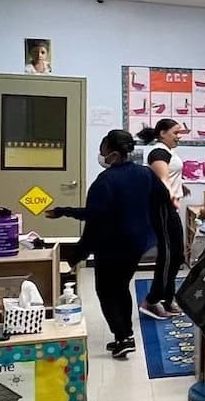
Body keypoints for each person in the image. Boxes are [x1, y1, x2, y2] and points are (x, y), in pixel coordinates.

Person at [46, 129, 170, 357]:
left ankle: (122, 337)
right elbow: (162, 197)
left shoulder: (105, 181)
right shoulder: (144, 173)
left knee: (106, 291)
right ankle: (126, 335)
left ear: (113, 154)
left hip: (112, 246)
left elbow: (94, 217)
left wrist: (66, 219)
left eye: (102, 149)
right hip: (138, 244)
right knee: (121, 287)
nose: (100, 154)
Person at [138, 119, 185, 320]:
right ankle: (152, 300)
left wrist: (181, 190)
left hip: (168, 208)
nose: (179, 136)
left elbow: (171, 178)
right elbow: (163, 180)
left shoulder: (167, 151)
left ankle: (167, 297)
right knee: (168, 255)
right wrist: (172, 196)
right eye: (175, 132)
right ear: (162, 132)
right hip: (162, 208)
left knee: (177, 255)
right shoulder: (158, 152)